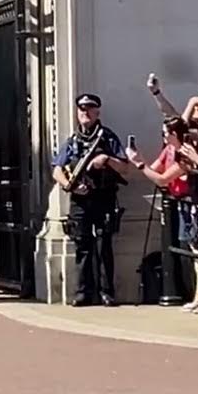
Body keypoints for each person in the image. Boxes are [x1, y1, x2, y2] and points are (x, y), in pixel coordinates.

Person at [55, 93, 130, 306]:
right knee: (82, 246)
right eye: (81, 109)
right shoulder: (73, 140)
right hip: (80, 200)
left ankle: (107, 292)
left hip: (103, 197)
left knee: (104, 245)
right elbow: (57, 169)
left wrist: (107, 159)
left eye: (89, 109)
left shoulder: (107, 137)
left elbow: (126, 168)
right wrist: (70, 186)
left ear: (97, 111)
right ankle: (83, 292)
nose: (85, 113)